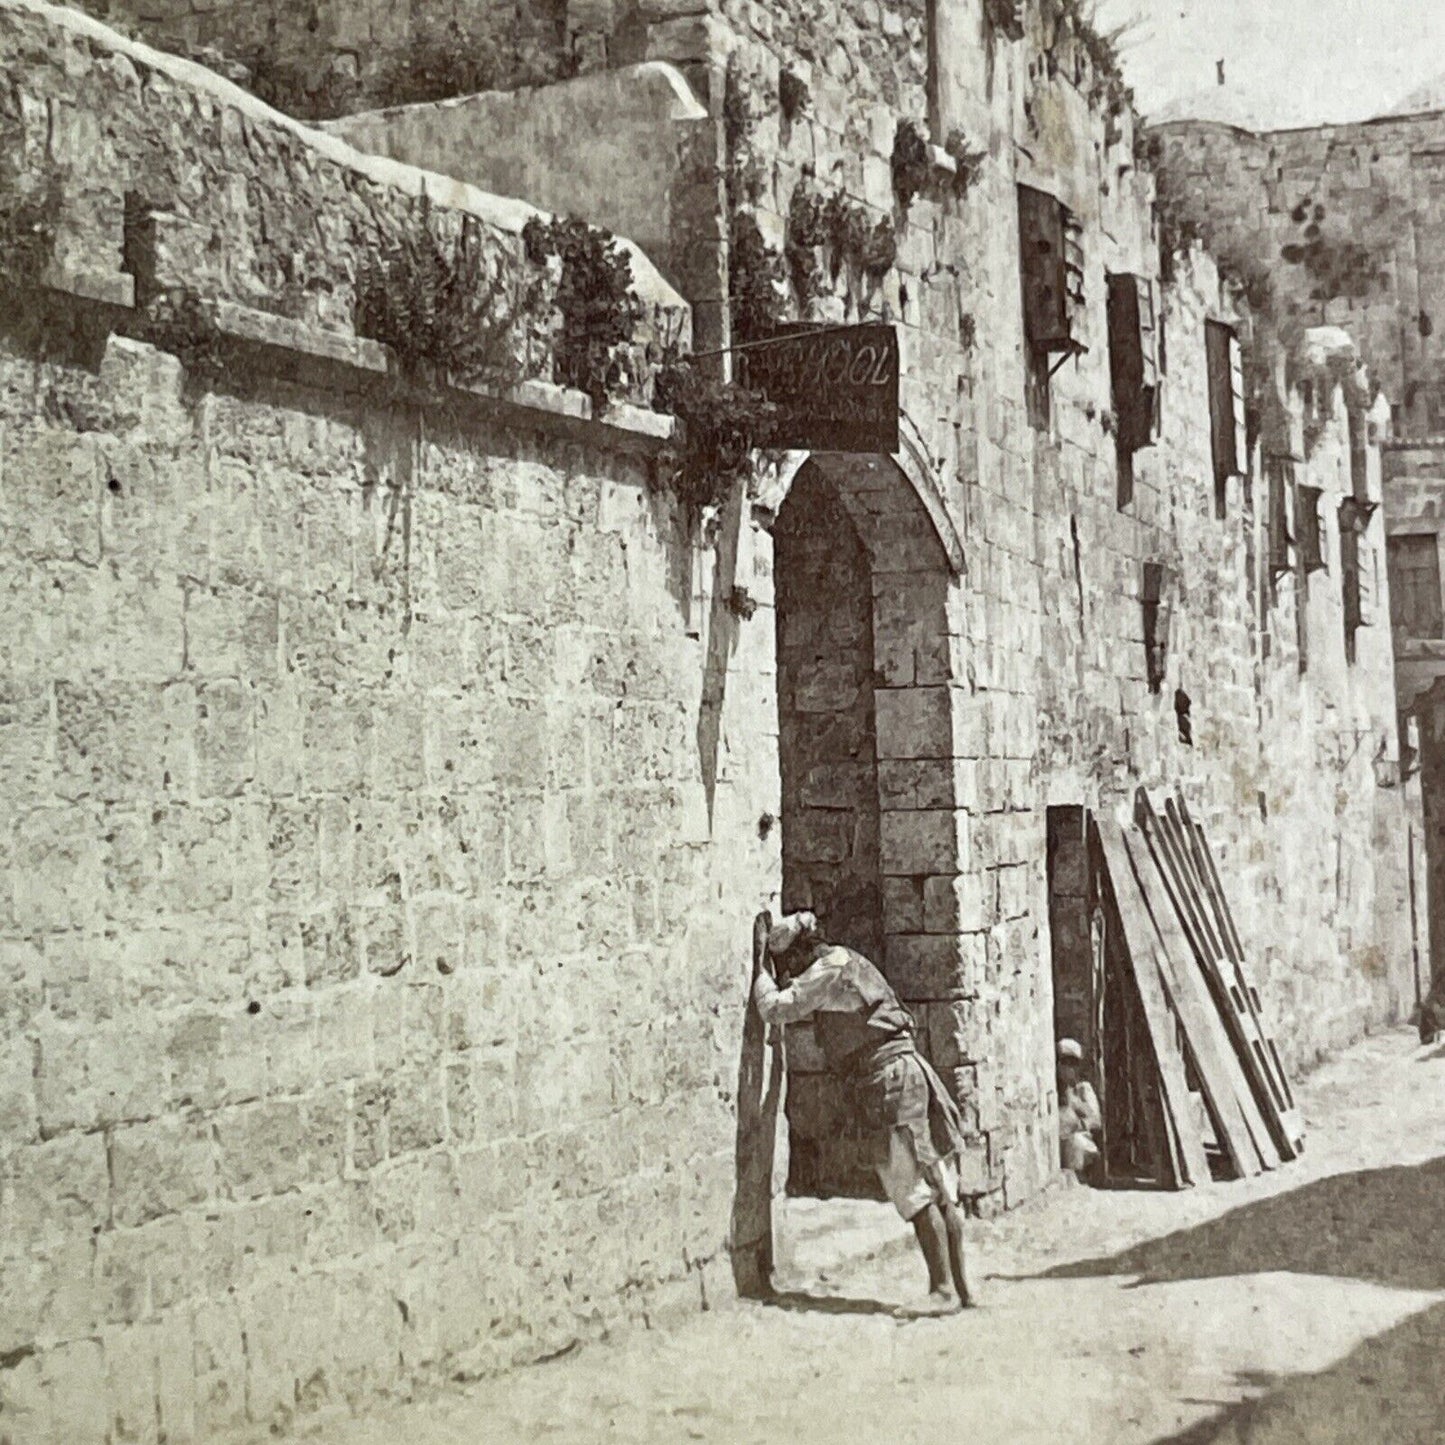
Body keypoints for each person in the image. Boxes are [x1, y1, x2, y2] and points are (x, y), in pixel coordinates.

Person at [752, 910, 976, 1315]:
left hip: (888, 1082)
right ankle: (962, 1288)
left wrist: (759, 970)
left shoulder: (824, 971)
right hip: (910, 1071)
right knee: (939, 1184)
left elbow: (775, 1008)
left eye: (789, 966)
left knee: (912, 1189)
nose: (791, 974)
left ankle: (943, 1290)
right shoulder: (848, 958)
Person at [1056, 1038, 1102, 1180]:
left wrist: (1078, 1121)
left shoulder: (1082, 1089)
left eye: (1073, 1064)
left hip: (1079, 1143)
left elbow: (1096, 1121)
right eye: (1064, 1063)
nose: (1069, 1068)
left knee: (1076, 1143)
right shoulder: (1054, 1091)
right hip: (1059, 1144)